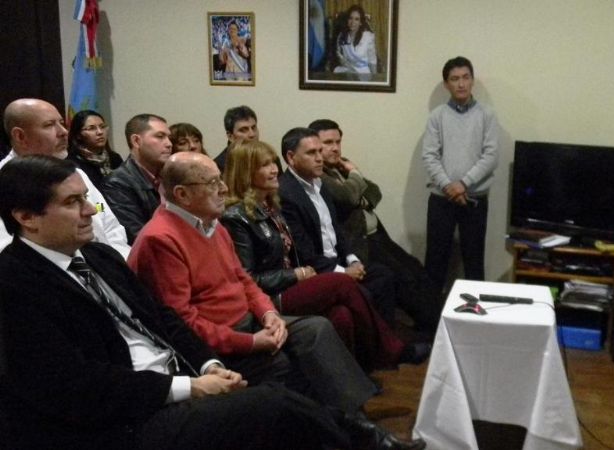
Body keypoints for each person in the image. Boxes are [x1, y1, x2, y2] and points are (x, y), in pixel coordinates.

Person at [0, 155, 418, 450]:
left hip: (178, 368)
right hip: (124, 419)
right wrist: (188, 386)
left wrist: (208, 364)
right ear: (27, 217)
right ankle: (358, 434)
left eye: (86, 198)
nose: (91, 210)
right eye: (73, 202)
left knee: (301, 358)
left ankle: (353, 429)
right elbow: (77, 387)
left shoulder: (97, 256)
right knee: (271, 401)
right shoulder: (16, 284)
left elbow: (162, 318)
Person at [127, 152, 425, 446]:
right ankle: (349, 432)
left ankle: (357, 426)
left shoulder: (210, 224)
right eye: (212, 182)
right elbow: (183, 322)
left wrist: (269, 314)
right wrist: (252, 342)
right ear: (182, 194)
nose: (224, 189)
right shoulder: (161, 239)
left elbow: (243, 280)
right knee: (286, 361)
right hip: (222, 339)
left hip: (249, 321)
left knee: (317, 329)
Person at [220, 139, 429, 371]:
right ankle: (392, 351)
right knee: (341, 283)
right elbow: (247, 279)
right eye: (264, 165)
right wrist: (295, 274)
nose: (273, 170)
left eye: (273, 163)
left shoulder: (270, 205)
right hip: (271, 296)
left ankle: (356, 381)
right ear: (246, 173)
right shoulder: (235, 217)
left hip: (293, 284)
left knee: (341, 315)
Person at [310, 119, 441, 336]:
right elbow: (347, 196)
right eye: (328, 142)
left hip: (377, 235)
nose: (335, 147)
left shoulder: (341, 166)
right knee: (403, 277)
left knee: (415, 267)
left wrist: (360, 195)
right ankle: (428, 330)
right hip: (360, 243)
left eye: (338, 141)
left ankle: (435, 325)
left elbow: (373, 190)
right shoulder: (320, 174)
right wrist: (355, 178)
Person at [278, 127, 403, 329]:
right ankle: (387, 351)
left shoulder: (319, 184)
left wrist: (352, 259)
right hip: (316, 271)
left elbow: (337, 230)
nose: (320, 158)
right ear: (291, 158)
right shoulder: (286, 193)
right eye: (312, 153)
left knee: (383, 275)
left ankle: (380, 353)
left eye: (320, 151)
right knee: (360, 292)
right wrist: (343, 272)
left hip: (337, 261)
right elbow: (303, 251)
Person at [0, 98, 130, 258]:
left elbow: (104, 217)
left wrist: (119, 262)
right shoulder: (5, 183)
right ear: (20, 136)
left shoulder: (74, 174)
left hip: (105, 267)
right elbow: (7, 249)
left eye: (62, 123)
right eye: (49, 125)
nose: (63, 132)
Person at [421, 56, 499, 296]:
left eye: (465, 77)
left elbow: (491, 155)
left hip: (474, 198)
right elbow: (430, 156)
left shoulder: (487, 115)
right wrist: (449, 186)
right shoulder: (437, 116)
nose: (461, 83)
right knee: (435, 260)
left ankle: (476, 319)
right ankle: (429, 319)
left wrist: (463, 183)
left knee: (474, 260)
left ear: (472, 80)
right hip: (441, 198)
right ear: (447, 84)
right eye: (455, 79)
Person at [103, 114, 173, 244]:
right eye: (160, 136)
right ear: (136, 141)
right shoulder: (117, 183)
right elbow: (138, 236)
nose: (169, 144)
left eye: (169, 137)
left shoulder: (171, 176)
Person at [66, 109, 123, 187]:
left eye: (102, 127)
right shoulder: (72, 165)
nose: (100, 132)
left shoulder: (115, 158)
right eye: (91, 128)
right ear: (78, 135)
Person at [334, 4, 377, 76]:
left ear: (360, 22)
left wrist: (375, 78)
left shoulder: (368, 37)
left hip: (363, 72)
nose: (353, 22)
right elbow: (340, 57)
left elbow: (372, 60)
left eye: (356, 19)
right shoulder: (342, 36)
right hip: (348, 70)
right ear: (347, 20)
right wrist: (351, 71)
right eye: (350, 18)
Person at [214, 105, 259, 173]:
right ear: (230, 136)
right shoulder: (219, 166)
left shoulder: (269, 157)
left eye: (253, 128)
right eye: (243, 130)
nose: (252, 134)